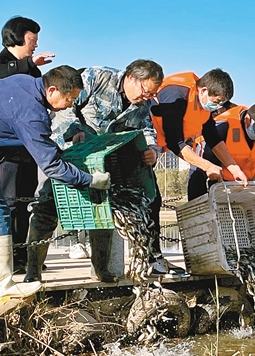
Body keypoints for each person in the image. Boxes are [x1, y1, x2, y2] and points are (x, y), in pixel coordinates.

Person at [0, 65, 110, 303]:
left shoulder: (23, 82)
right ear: (53, 89)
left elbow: (37, 144)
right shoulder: (32, 113)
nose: (69, 105)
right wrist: (90, 180)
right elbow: (52, 167)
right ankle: (2, 286)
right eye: (69, 98)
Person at [25, 60, 165, 283]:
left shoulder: (142, 105)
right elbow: (66, 102)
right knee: (46, 208)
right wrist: (74, 130)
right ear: (130, 78)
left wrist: (153, 151)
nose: (146, 97)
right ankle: (32, 271)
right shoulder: (98, 77)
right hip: (68, 155)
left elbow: (147, 129)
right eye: (145, 91)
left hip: (103, 162)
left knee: (103, 211)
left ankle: (102, 269)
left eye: (152, 94)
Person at [0, 16, 55, 273]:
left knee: (25, 201)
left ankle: (24, 257)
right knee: (8, 202)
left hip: (27, 144)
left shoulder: (32, 68)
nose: (35, 44)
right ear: (17, 36)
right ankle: (7, 259)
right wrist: (29, 64)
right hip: (5, 147)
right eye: (32, 39)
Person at [150, 69, 248, 201]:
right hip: (143, 139)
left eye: (222, 103)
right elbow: (175, 142)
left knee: (153, 199)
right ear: (203, 91)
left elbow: (214, 140)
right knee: (150, 199)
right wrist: (207, 166)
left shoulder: (203, 108)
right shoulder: (175, 96)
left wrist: (234, 169)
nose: (218, 107)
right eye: (217, 101)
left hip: (156, 149)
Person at [188, 102, 255, 199]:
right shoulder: (223, 126)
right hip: (220, 181)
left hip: (247, 182)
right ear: (247, 121)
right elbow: (205, 163)